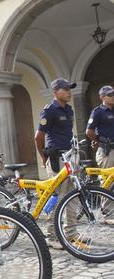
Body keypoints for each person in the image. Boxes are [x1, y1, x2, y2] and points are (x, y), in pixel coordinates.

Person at [35, 78, 79, 250]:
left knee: (72, 195)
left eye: (70, 89)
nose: (69, 92)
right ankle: (51, 235)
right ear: (55, 92)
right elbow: (38, 137)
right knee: (56, 196)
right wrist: (42, 156)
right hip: (56, 157)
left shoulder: (69, 109)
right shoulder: (49, 111)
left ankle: (71, 232)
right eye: (65, 89)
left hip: (69, 156)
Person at [86, 85, 114, 168]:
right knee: (109, 179)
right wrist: (99, 141)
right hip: (107, 152)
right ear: (102, 97)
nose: (113, 96)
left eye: (113, 94)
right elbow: (89, 131)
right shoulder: (97, 112)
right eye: (109, 95)